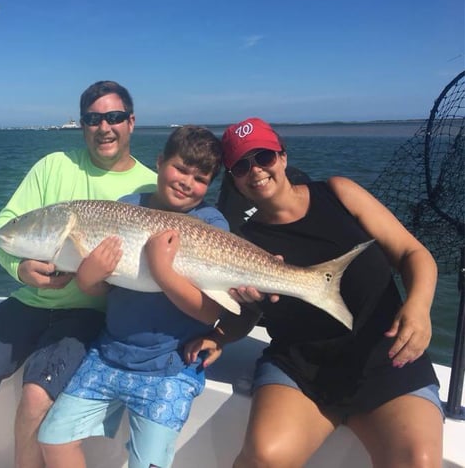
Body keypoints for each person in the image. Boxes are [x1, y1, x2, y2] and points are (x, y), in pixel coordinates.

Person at [186, 117, 443, 467]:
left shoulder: (339, 193)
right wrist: (220, 336)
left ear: (283, 157)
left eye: (264, 157)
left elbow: (414, 254)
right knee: (264, 458)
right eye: (242, 166)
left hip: (386, 357)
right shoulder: (242, 242)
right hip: (301, 370)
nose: (256, 170)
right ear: (234, 179)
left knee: (419, 462)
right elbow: (247, 312)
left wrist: (418, 306)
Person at [0, 80, 157, 468]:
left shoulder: (151, 186)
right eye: (93, 119)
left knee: (36, 398)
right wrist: (20, 269)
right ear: (82, 125)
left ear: (131, 122)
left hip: (92, 312)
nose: (104, 127)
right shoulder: (53, 166)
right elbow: (6, 228)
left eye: (114, 117)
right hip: (32, 298)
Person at [37, 126, 227, 468]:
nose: (187, 181)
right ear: (159, 162)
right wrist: (88, 278)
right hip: (109, 354)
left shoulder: (210, 223)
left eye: (200, 178)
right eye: (181, 169)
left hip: (170, 366)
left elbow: (208, 314)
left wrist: (162, 270)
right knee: (52, 438)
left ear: (210, 185)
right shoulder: (125, 209)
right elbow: (103, 287)